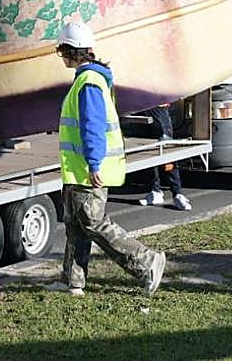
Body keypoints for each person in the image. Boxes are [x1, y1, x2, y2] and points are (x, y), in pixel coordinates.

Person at [56, 20, 166, 296]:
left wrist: (93, 164)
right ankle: (72, 281)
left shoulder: (89, 82)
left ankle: (147, 261)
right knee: (76, 224)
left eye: (61, 51)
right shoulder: (90, 79)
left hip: (88, 169)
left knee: (93, 222)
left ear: (69, 51)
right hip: (78, 169)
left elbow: (92, 126)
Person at [137, 104, 192, 211]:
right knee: (149, 154)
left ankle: (177, 194)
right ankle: (155, 191)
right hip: (143, 109)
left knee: (167, 155)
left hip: (158, 109)